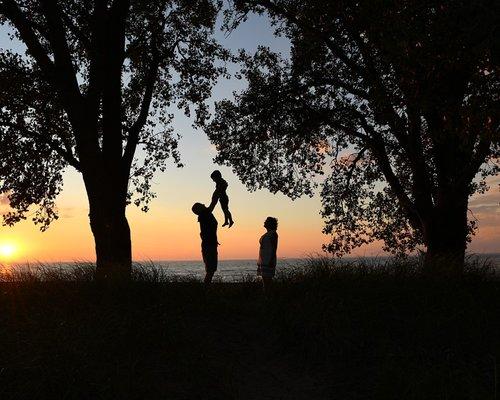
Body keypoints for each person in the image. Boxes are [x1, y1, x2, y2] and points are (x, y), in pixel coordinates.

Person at [191, 202, 219, 285]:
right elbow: (213, 203)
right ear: (199, 209)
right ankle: (206, 289)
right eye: (201, 205)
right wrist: (219, 191)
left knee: (211, 269)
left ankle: (206, 288)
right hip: (208, 245)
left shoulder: (205, 215)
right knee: (210, 269)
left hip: (210, 244)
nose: (203, 204)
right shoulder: (205, 214)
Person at [257, 217, 278, 293]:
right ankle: (266, 296)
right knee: (264, 281)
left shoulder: (273, 234)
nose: (264, 222)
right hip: (263, 259)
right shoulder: (267, 234)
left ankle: (268, 297)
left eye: (266, 221)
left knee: (267, 281)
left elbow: (274, 248)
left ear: (270, 224)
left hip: (269, 259)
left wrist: (271, 260)